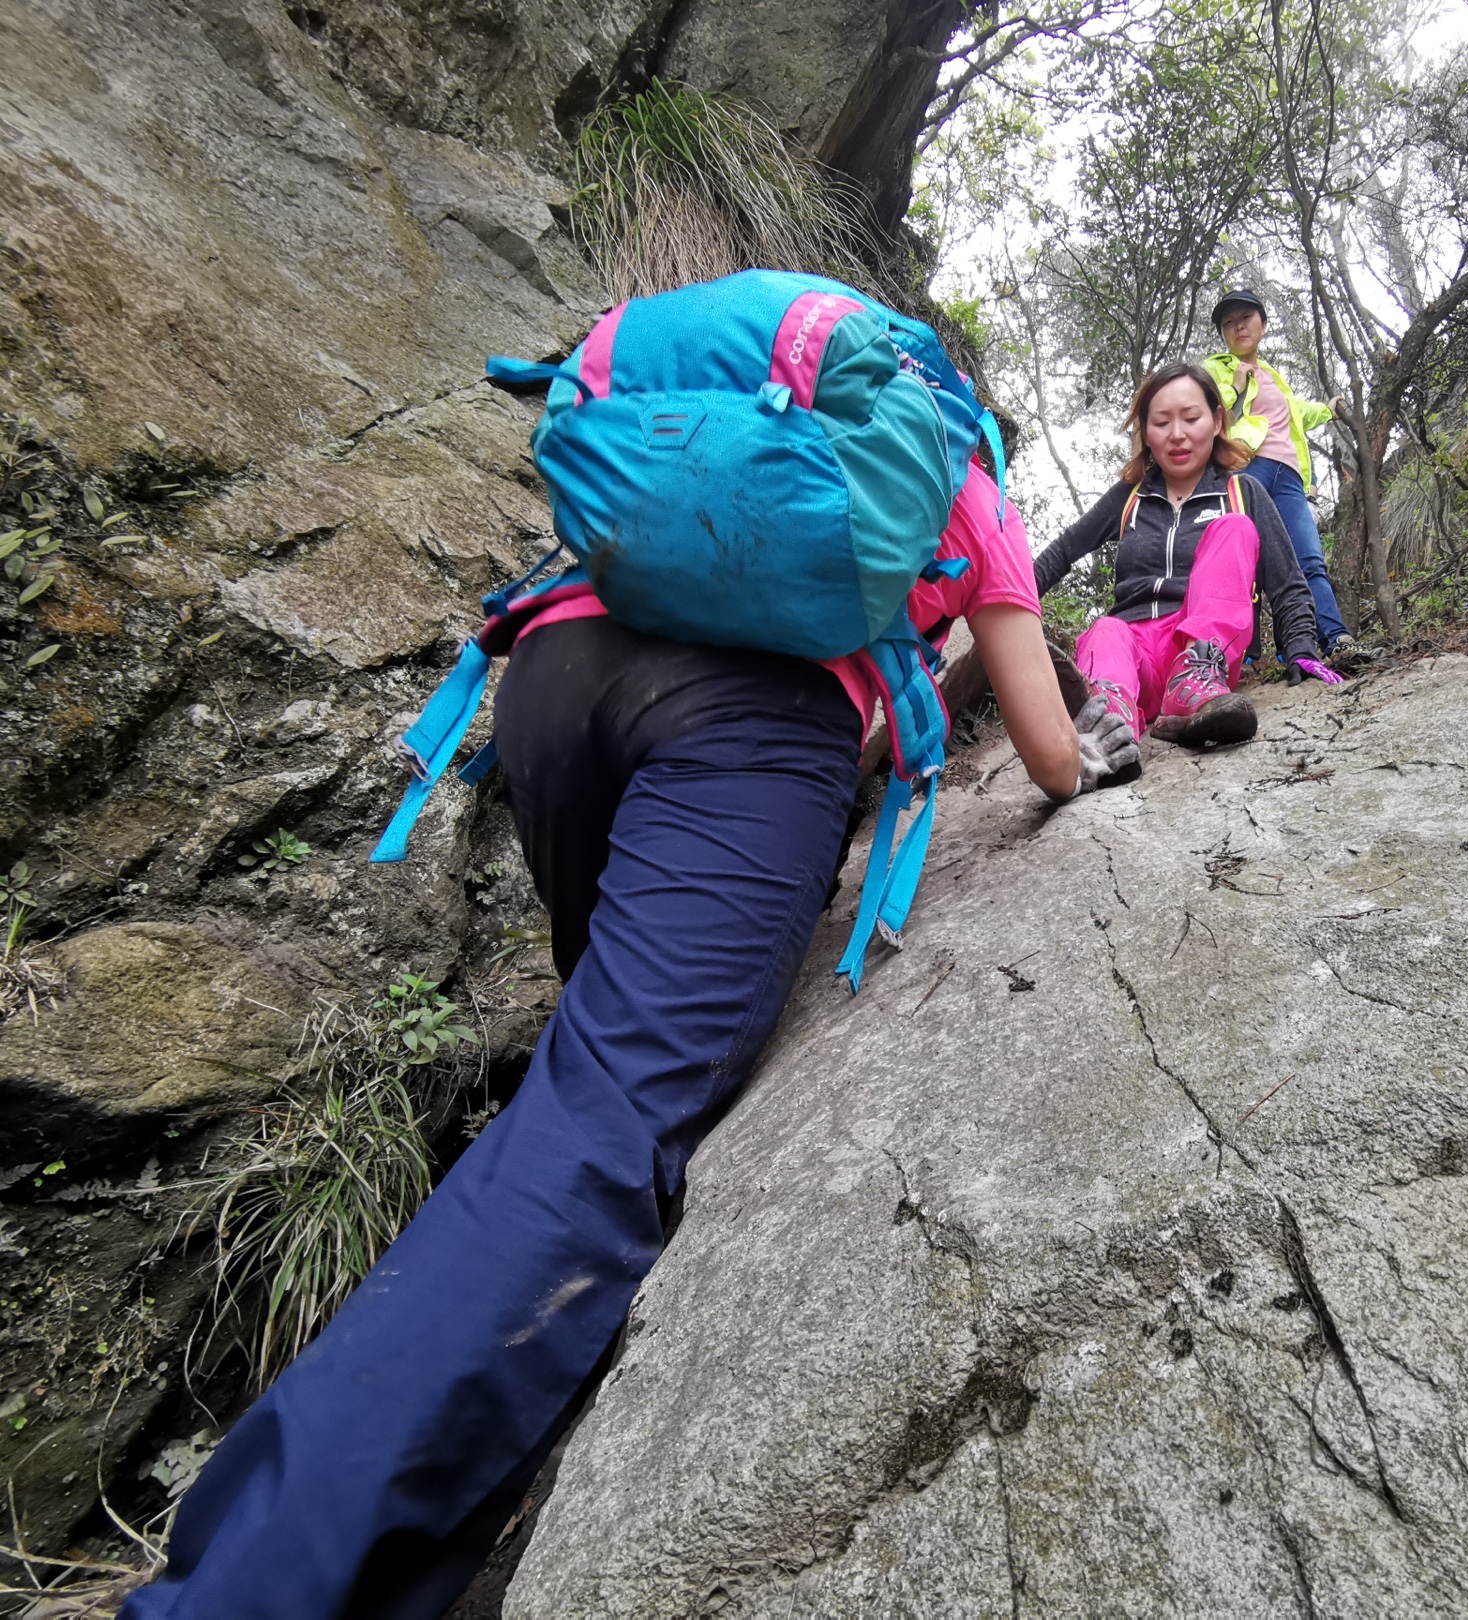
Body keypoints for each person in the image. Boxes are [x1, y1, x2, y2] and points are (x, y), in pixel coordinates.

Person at [122, 459, 1132, 1620]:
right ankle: (235, 1595)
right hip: (744, 712)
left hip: (557, 677)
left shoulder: (749, 433)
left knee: (573, 1089)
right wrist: (1089, 756)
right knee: (592, 1142)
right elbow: (1051, 753)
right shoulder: (954, 471)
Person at [1034, 363, 1342, 757]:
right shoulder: (1130, 496)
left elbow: (1287, 582)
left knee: (1234, 528)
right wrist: (1005, 606)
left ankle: (1191, 686)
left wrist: (1301, 647)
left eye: (1191, 418)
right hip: (1134, 654)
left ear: (1216, 421)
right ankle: (1107, 726)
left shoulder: (1241, 491)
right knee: (1105, 631)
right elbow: (1064, 551)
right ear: (1146, 432)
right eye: (1161, 422)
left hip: (1203, 652)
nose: (1177, 434)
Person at [1202, 291, 1358, 662]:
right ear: (1223, 334)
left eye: (1246, 317)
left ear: (1263, 325)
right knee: (1249, 561)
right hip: (1247, 470)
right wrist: (1235, 386)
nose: (1238, 325)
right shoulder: (1215, 368)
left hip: (1288, 477)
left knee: (1308, 558)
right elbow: (1206, 414)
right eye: (1229, 322)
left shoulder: (1273, 375)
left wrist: (1329, 409)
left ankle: (1334, 639)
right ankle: (1248, 656)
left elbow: (1297, 414)